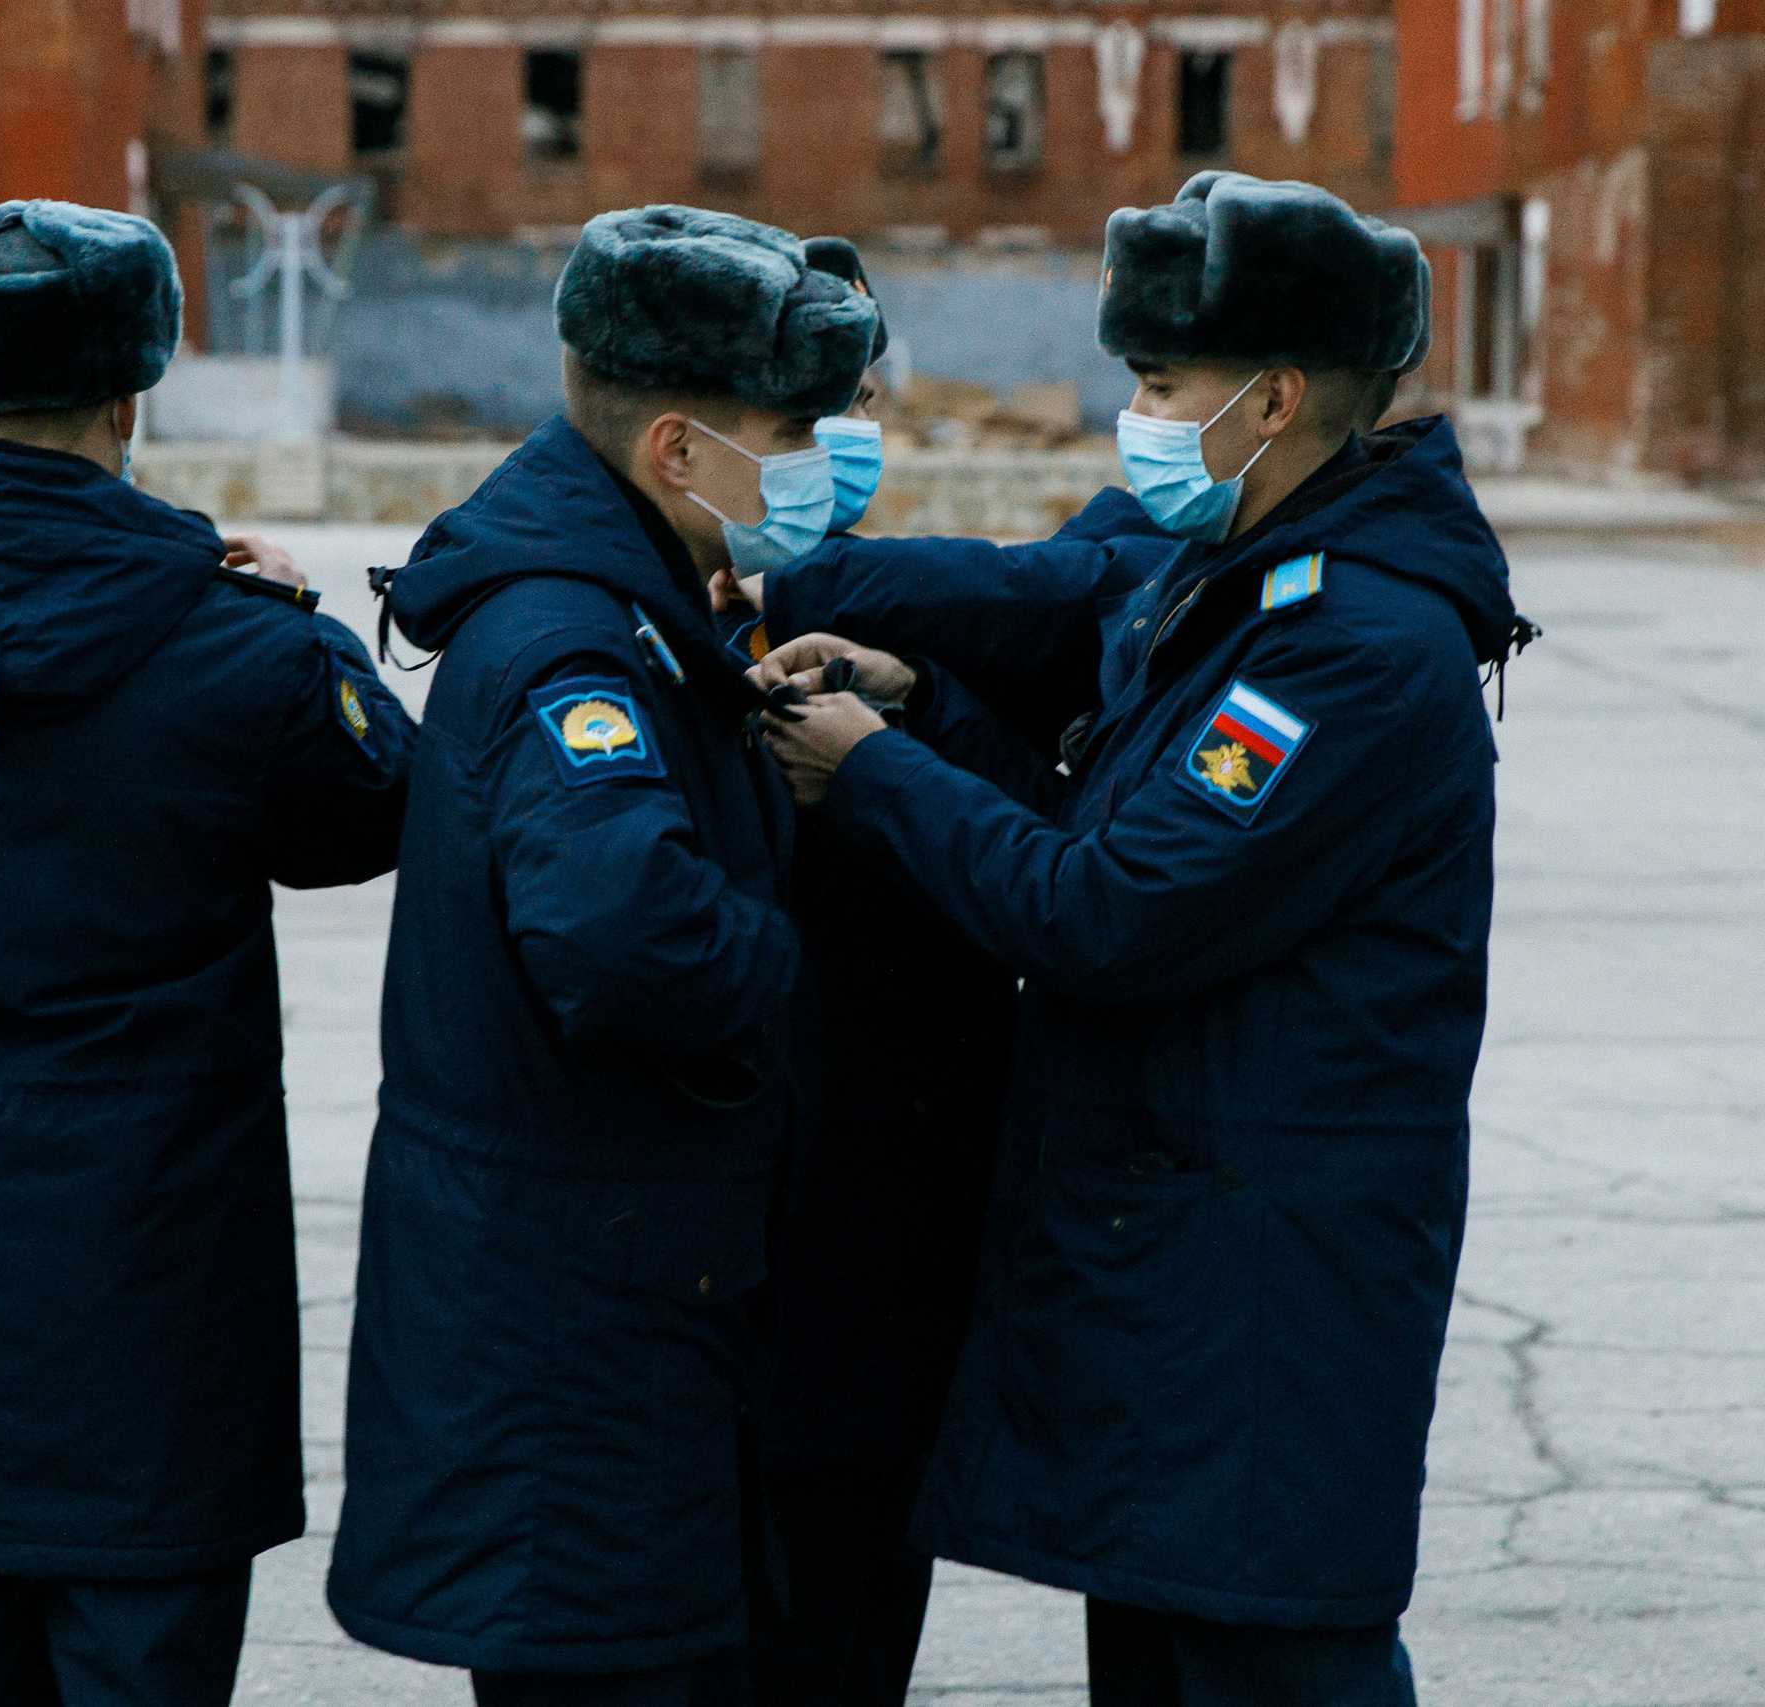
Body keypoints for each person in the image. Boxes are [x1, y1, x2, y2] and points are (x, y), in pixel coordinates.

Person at [751, 172, 1530, 1706]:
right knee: (1175, 1650)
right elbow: (1094, 784)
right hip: (1187, 1260)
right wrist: (926, 705)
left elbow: (1109, 906)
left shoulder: (1346, 644)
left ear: (1275, 397)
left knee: (1263, 1657)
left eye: (1163, 384)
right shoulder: (1243, 575)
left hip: (1264, 1289)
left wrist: (872, 771)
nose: (1140, 418)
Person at [0, 197, 415, 1707]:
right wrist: (314, 628)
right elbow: (375, 816)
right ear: (130, 394)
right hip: (156, 1324)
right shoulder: (248, 650)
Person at [325, 205, 878, 1707]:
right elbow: (626, 936)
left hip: (604, 1290)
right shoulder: (574, 644)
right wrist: (793, 961)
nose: (820, 458)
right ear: (680, 452)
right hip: (577, 1328)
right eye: (792, 429)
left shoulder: (626, 601)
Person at [728, 235, 1024, 1707]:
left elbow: (1029, 843)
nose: (833, 446)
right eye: (795, 418)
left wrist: (911, 721)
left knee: (855, 1610)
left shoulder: (909, 617)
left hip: (896, 1228)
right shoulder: (625, 615)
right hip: (743, 1247)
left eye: (854, 410)